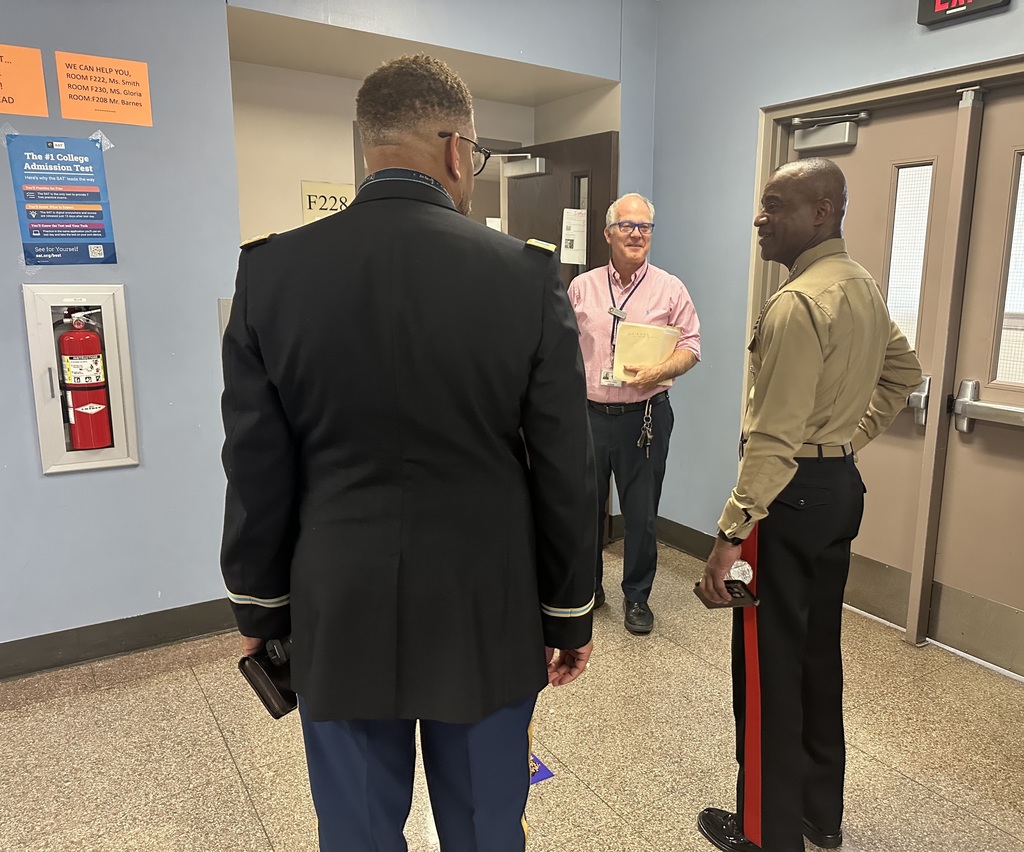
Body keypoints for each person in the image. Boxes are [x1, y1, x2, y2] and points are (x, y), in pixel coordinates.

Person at [219, 54, 598, 852]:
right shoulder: (524, 277)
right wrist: (568, 609)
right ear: (458, 148)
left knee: (355, 830)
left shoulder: (271, 272)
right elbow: (566, 462)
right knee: (485, 825)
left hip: (339, 598)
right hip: (483, 605)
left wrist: (258, 606)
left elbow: (256, 464)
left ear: (368, 147)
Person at [696, 158, 923, 852]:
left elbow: (774, 436)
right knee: (818, 656)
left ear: (822, 212)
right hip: (835, 492)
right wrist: (847, 438)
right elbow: (903, 374)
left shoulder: (799, 303)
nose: (760, 219)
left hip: (786, 502)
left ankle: (766, 832)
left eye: (775, 206)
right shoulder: (860, 286)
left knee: (767, 668)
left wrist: (731, 533)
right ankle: (821, 816)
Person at [568, 193, 701, 635]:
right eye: (627, 226)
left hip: (644, 417)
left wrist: (662, 369)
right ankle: (588, 588)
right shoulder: (582, 287)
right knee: (584, 507)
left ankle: (637, 596)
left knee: (641, 512)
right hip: (588, 415)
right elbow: (562, 348)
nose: (637, 234)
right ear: (609, 233)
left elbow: (691, 347)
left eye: (645, 227)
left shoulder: (670, 288)